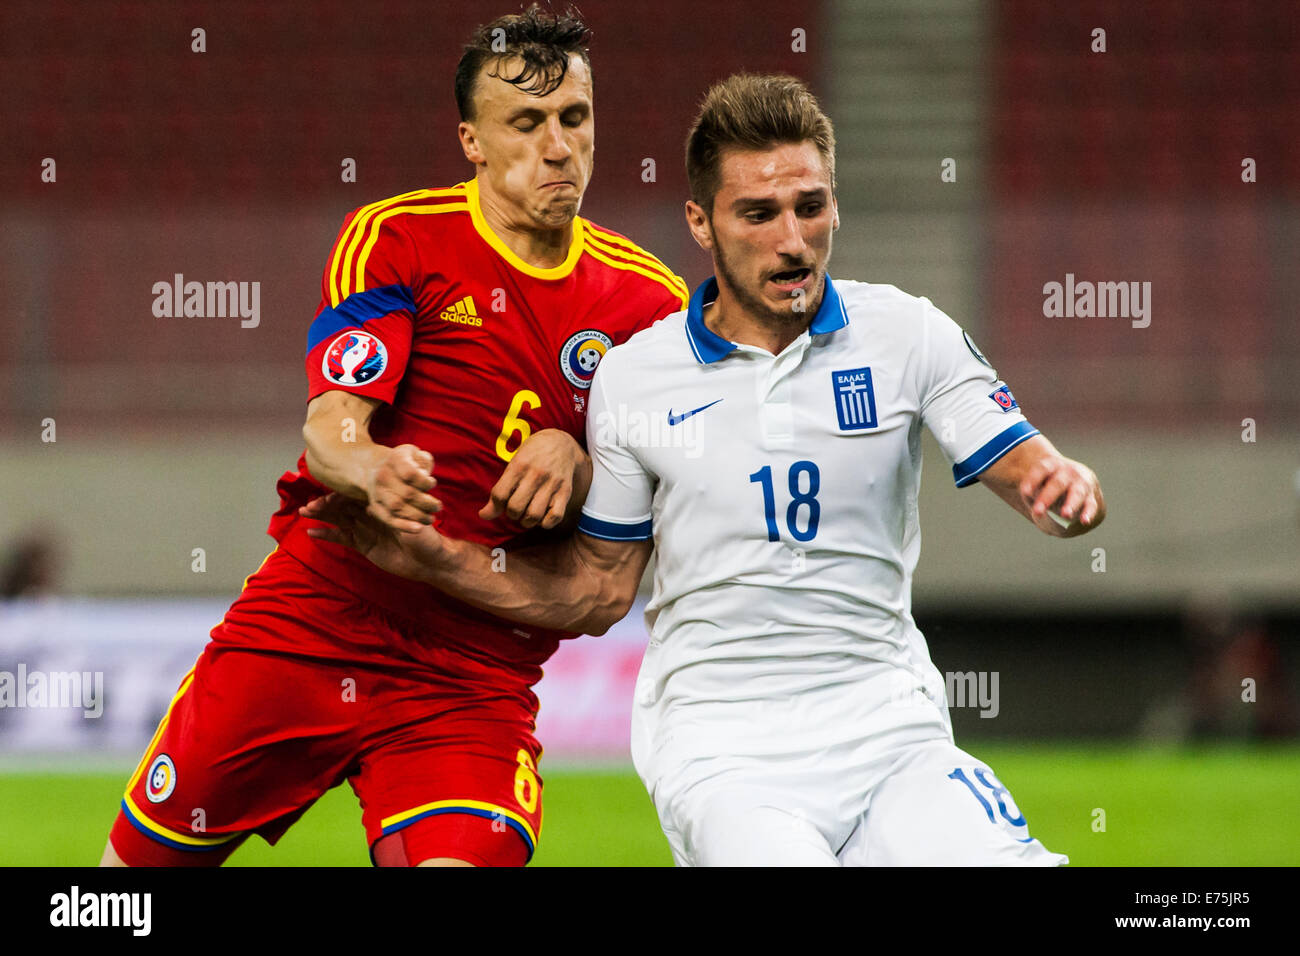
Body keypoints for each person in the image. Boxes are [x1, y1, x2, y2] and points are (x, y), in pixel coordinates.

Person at [303, 73, 1106, 866]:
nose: (792, 239)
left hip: (893, 733)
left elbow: (1026, 461)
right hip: (725, 749)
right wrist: (439, 557)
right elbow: (597, 589)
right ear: (702, 222)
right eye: (757, 213)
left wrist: (1060, 489)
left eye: (810, 206)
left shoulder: (908, 334)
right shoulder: (636, 377)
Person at [101, 5, 687, 868]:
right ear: (472, 142)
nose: (558, 145)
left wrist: (585, 453)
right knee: (123, 892)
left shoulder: (652, 308)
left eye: (575, 117)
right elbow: (331, 424)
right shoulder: (400, 238)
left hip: (471, 677)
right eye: (526, 123)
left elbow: (611, 574)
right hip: (316, 617)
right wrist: (369, 467)